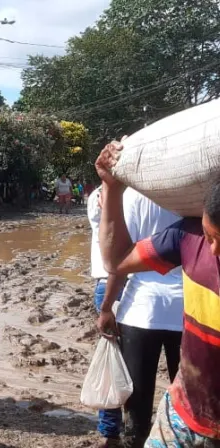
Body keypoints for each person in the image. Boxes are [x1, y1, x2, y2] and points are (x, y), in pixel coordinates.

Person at [96, 141, 220, 447]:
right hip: (182, 410)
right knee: (138, 406)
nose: (214, 249)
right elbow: (117, 261)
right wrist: (111, 188)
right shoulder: (188, 235)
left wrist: (108, 306)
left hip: (143, 311)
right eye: (210, 236)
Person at [96, 184, 183, 448]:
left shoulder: (129, 196)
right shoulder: (191, 194)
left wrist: (107, 306)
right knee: (189, 400)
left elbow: (118, 260)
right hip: (188, 310)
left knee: (137, 402)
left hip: (140, 310)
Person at [87, 186, 125, 447]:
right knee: (132, 362)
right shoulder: (103, 197)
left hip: (109, 283)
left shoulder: (99, 196)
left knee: (114, 363)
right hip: (132, 281)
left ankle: (111, 433)